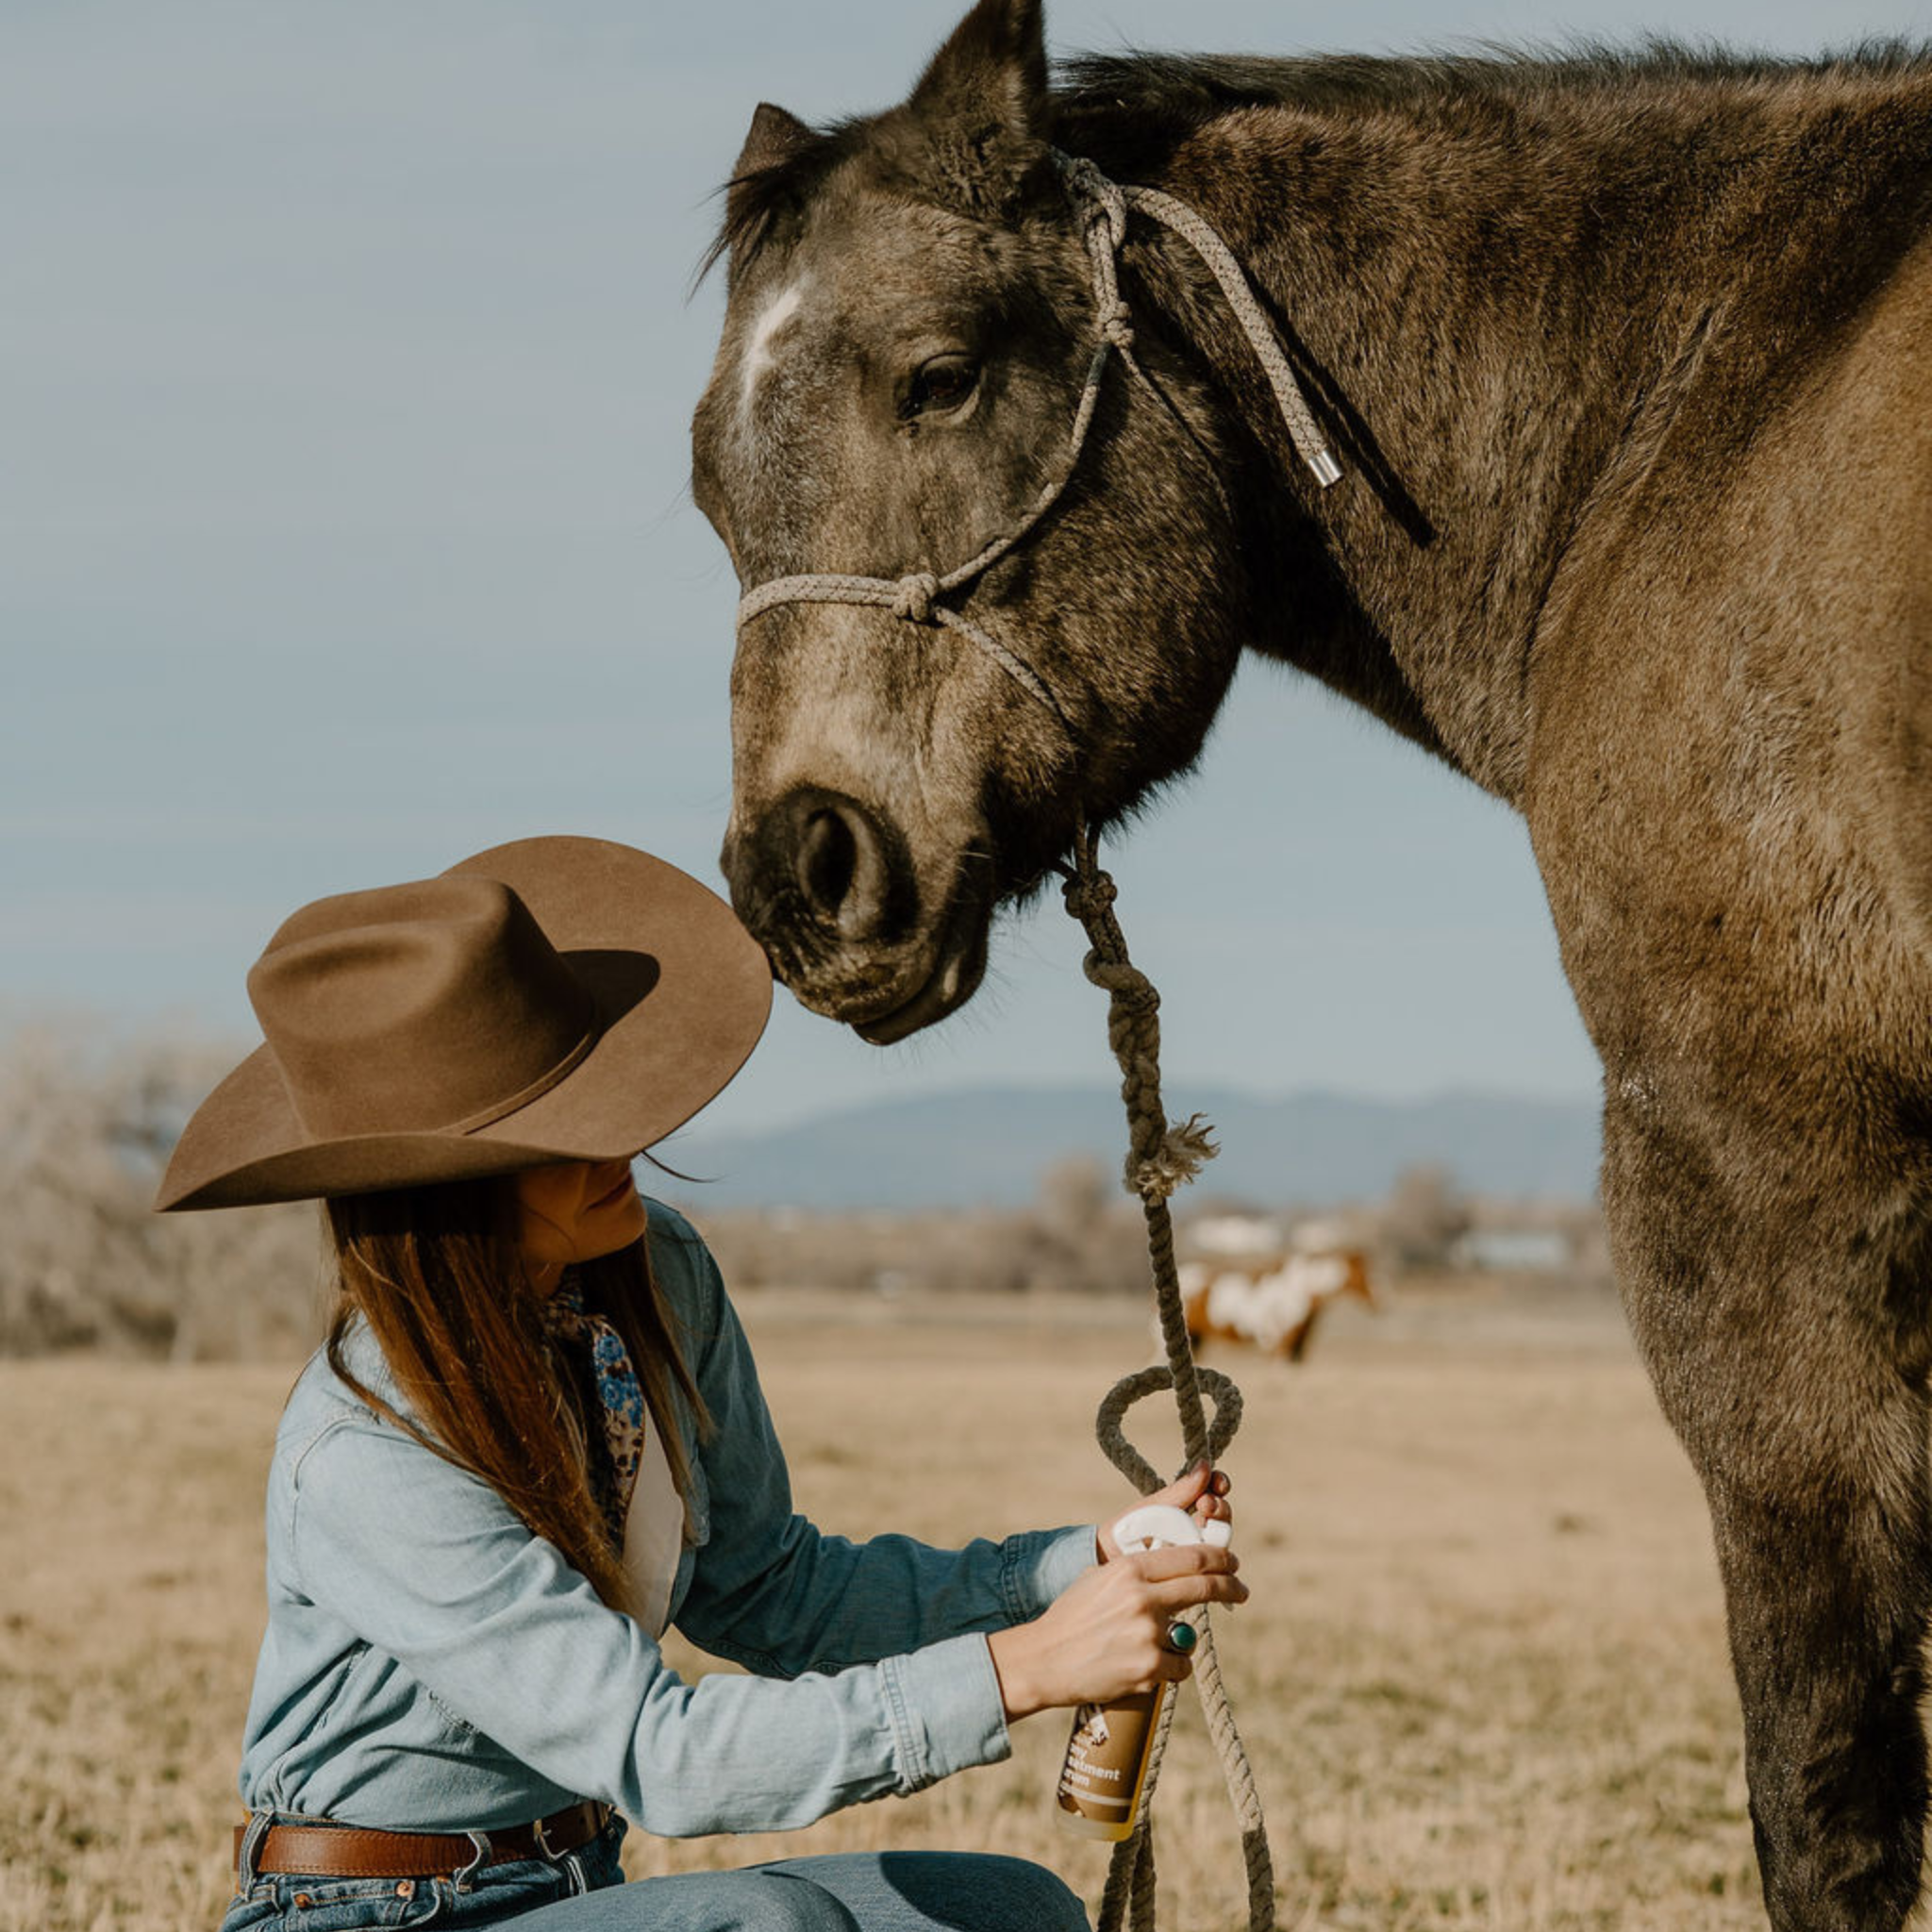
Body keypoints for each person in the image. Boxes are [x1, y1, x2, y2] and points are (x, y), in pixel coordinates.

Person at [158, 835, 1244, 1932]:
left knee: (1008, 1909)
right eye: (560, 1126)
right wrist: (1018, 1669)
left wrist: (1079, 1566)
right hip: (367, 1912)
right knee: (765, 1927)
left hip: (576, 1883)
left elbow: (773, 1588)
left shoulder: (656, 1271)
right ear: (444, 1191)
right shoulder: (365, 1447)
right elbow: (656, 1752)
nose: (623, 1134)